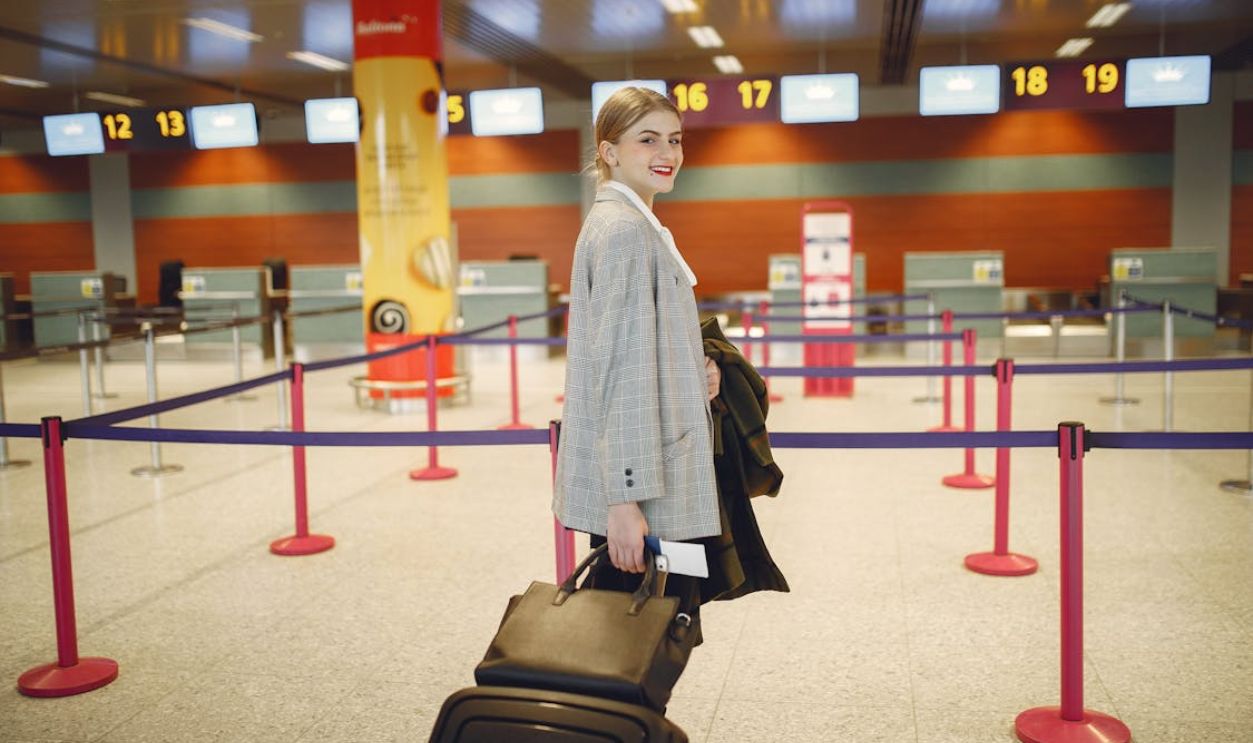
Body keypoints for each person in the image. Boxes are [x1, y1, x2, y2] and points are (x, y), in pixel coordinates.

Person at [553, 86, 722, 585]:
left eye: (674, 140)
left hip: (651, 468)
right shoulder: (625, 232)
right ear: (609, 152)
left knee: (650, 635)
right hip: (644, 486)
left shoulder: (631, 223)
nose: (667, 154)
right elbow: (620, 375)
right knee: (635, 640)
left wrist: (699, 367)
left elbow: (645, 345)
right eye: (647, 140)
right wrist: (624, 502)